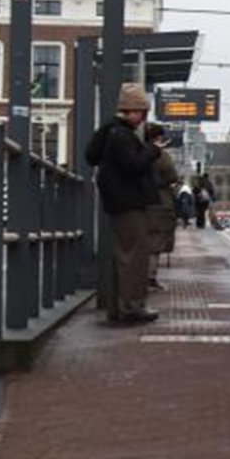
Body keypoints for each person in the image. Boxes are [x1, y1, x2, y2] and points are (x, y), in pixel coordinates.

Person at [85, 82, 161, 324]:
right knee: (135, 256)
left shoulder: (110, 131)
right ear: (134, 110)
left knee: (123, 255)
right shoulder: (122, 135)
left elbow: (91, 156)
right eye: (142, 112)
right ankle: (132, 308)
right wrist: (152, 150)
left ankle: (119, 309)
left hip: (117, 202)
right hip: (128, 203)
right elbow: (133, 166)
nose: (143, 118)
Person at [145, 124, 179, 286]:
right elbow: (172, 176)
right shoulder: (162, 155)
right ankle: (150, 277)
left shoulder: (138, 151)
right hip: (159, 202)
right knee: (155, 241)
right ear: (158, 137)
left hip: (140, 201)